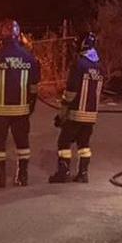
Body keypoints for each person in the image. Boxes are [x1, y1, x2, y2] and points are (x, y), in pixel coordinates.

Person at [0, 19, 41, 188]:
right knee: (22, 143)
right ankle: (22, 177)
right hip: (21, 110)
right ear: (18, 35)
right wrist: (32, 102)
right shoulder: (29, 56)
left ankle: (0, 178)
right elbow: (34, 85)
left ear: (0, 35)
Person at [49, 32, 103, 184]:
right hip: (91, 115)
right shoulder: (99, 67)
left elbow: (71, 91)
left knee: (63, 142)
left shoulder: (79, 64)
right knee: (84, 145)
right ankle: (83, 173)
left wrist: (62, 112)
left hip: (75, 113)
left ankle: (63, 172)